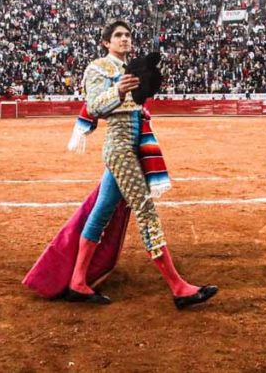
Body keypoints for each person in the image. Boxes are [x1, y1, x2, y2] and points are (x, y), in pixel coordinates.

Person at [24, 20, 217, 309]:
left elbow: (137, 106)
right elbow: (94, 106)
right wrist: (118, 90)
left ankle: (77, 281)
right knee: (145, 208)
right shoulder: (97, 68)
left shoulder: (134, 69)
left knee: (101, 212)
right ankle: (178, 287)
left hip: (135, 146)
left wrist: (139, 90)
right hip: (119, 150)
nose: (124, 39)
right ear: (106, 42)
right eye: (118, 35)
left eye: (127, 35)